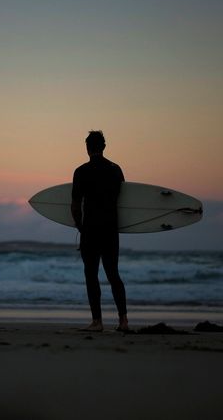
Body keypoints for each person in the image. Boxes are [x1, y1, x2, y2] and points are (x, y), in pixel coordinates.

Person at [71, 130, 128, 332]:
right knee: (113, 274)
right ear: (104, 147)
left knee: (91, 275)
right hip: (111, 229)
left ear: (87, 148)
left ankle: (97, 322)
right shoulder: (116, 170)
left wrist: (80, 226)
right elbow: (125, 201)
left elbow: (76, 205)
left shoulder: (81, 171)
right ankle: (123, 321)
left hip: (91, 229)